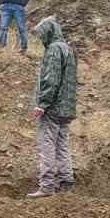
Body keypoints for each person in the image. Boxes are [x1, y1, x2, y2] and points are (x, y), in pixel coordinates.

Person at [26, 16, 77, 198]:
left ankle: (47, 186)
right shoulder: (68, 49)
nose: (41, 39)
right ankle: (66, 182)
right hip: (67, 108)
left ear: (48, 33)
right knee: (62, 144)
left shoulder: (54, 50)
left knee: (47, 144)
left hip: (53, 108)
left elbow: (51, 79)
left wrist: (42, 104)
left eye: (41, 35)